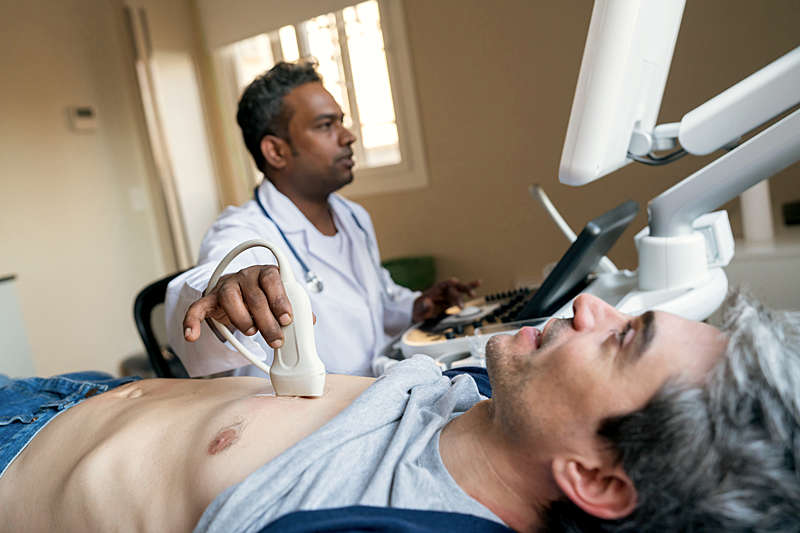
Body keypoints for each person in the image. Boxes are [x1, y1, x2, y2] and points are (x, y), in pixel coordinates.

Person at [2, 291, 799, 532]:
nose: (592, 305)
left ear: (596, 476)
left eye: (623, 340)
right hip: (77, 392)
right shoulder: (493, 409)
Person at [165, 60, 478, 378]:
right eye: (326, 125)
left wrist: (416, 306)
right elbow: (216, 278)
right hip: (305, 416)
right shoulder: (245, 231)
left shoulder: (353, 216)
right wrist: (224, 288)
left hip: (380, 389)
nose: (348, 136)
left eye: (341, 122)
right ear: (276, 151)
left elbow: (377, 300)